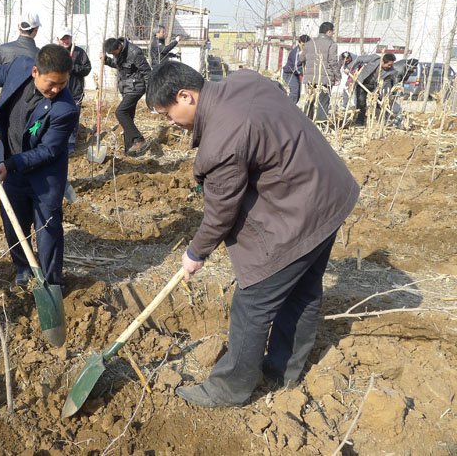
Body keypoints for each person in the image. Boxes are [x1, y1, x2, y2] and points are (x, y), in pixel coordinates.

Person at [146, 61, 359, 407]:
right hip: (330, 194)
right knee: (303, 290)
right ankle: (284, 372)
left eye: (167, 114)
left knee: (252, 304)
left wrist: (196, 253)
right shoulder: (244, 81)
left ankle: (230, 388)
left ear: (185, 96)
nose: (170, 122)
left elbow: (220, 213)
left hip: (302, 212)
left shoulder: (221, 141)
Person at [0, 45, 78, 290]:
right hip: (13, 167)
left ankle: (52, 282)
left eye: (63, 83)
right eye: (51, 83)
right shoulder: (19, 68)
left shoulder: (65, 108)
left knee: (48, 229)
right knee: (13, 222)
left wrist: (10, 164)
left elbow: (48, 151)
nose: (57, 89)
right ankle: (23, 268)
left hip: (44, 177)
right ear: (35, 71)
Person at [102, 37, 152, 156]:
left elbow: (147, 72)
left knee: (120, 112)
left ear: (119, 46)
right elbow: (117, 64)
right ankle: (129, 151)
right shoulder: (118, 52)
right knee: (128, 119)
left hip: (136, 87)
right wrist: (106, 60)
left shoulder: (134, 52)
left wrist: (150, 92)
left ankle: (139, 139)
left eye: (114, 53)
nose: (114, 55)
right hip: (126, 88)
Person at [56, 28, 92, 154]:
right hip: (57, 91)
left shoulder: (79, 52)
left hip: (75, 91)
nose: (65, 41)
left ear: (71, 38)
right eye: (62, 38)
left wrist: (73, 68)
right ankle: (58, 141)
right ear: (58, 40)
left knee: (73, 117)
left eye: (67, 38)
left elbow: (87, 68)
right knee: (58, 117)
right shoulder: (55, 52)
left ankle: (70, 144)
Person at [299, 22, 340, 122]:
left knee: (310, 101)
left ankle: (305, 122)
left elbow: (301, 59)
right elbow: (333, 62)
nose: (333, 34)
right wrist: (338, 77)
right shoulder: (332, 44)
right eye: (332, 32)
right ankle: (320, 124)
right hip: (325, 79)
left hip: (310, 80)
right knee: (322, 103)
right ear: (328, 32)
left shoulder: (309, 43)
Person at [350, 53, 398, 126]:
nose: (390, 67)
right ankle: (360, 121)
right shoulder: (374, 58)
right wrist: (351, 69)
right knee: (361, 102)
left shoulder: (391, 72)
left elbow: (384, 84)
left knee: (378, 103)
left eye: (391, 65)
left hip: (376, 86)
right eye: (389, 65)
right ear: (383, 62)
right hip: (362, 82)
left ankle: (381, 121)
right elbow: (358, 59)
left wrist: (375, 92)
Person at [281, 34, 310, 104]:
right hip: (289, 73)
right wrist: (305, 74)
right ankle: (287, 107)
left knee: (298, 94)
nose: (304, 47)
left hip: (296, 74)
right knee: (295, 91)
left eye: (306, 45)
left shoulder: (306, 51)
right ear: (299, 43)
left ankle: (293, 107)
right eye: (303, 45)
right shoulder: (295, 52)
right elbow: (296, 67)